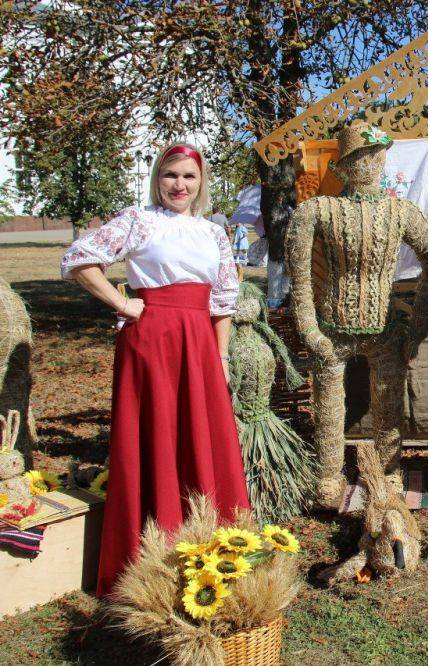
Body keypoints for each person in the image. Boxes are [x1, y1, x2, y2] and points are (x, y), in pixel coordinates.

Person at [60, 142, 250, 597]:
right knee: (156, 433)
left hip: (200, 344)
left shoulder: (213, 232)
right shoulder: (137, 220)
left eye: (188, 176)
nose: (179, 185)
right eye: (170, 176)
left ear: (201, 182)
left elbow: (222, 302)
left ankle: (207, 541)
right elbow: (78, 260)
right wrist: (123, 302)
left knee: (202, 435)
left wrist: (221, 358)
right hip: (150, 342)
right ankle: (149, 554)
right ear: (157, 179)